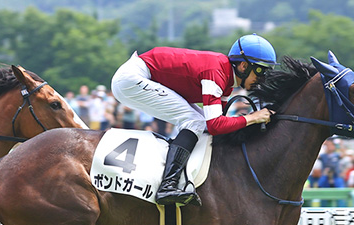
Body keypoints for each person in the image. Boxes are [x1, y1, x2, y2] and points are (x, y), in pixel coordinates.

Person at [111, 33, 276, 206]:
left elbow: (218, 125)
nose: (262, 79)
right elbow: (215, 125)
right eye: (260, 71)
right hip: (132, 78)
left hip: (141, 76)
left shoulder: (227, 82)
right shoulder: (216, 72)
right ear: (243, 66)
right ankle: (168, 185)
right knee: (195, 122)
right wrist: (253, 117)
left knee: (200, 122)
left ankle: (182, 176)